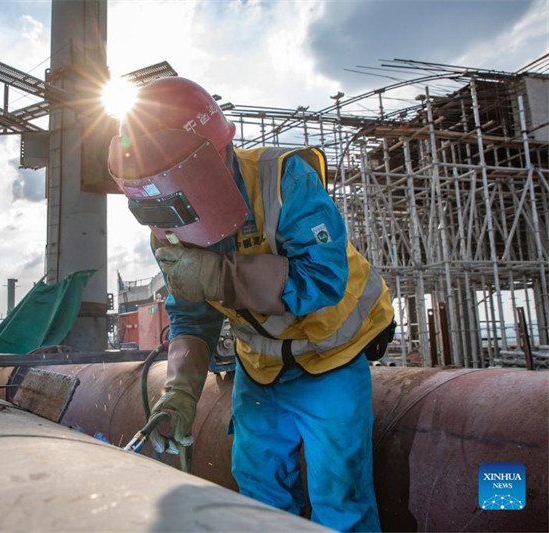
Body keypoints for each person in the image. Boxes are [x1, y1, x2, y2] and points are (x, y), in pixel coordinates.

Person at [107, 76, 395, 532]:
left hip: (331, 355)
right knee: (259, 491)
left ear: (212, 157)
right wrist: (180, 392)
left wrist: (220, 275)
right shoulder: (167, 221)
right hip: (260, 367)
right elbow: (191, 315)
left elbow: (321, 280)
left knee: (339, 497)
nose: (173, 216)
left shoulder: (283, 179)